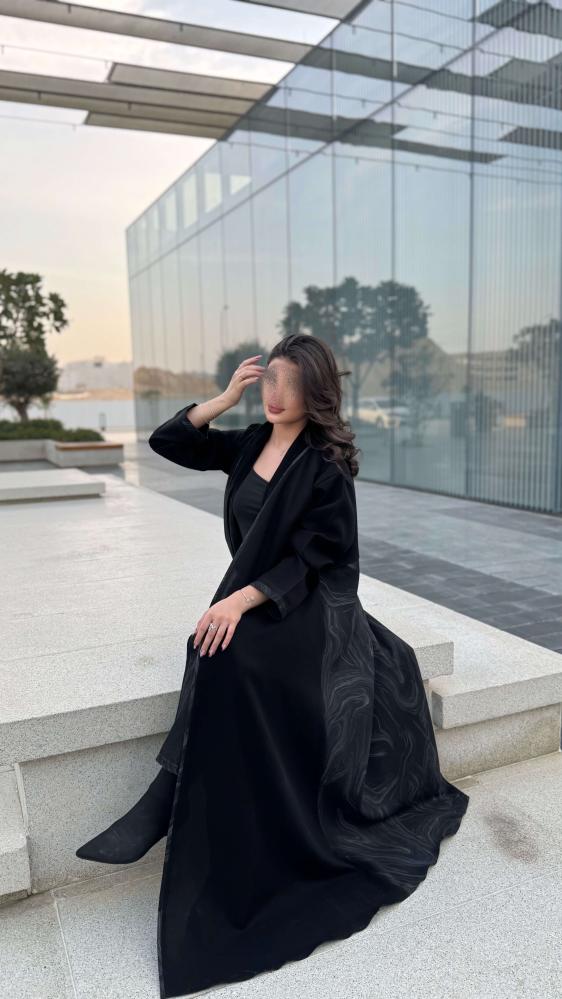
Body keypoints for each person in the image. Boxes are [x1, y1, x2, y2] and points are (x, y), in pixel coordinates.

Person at [76, 334, 469, 999]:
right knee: (212, 642)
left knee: (228, 650)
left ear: (315, 391)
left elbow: (319, 555)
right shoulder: (252, 440)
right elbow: (169, 443)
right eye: (269, 380)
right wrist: (222, 397)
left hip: (312, 601)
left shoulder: (325, 463)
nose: (275, 393)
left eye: (289, 382)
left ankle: (163, 795)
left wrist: (241, 599)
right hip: (260, 594)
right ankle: (167, 793)